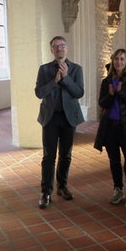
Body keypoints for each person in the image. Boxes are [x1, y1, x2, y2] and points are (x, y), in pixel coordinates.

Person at [94, 49, 126, 212]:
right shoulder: (106, 81)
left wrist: (120, 92)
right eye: (116, 59)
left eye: (122, 59)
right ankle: (118, 189)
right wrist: (110, 95)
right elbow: (102, 103)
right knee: (114, 161)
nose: (119, 62)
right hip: (109, 127)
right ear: (113, 61)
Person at [35, 36, 84, 209]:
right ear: (51, 50)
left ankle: (62, 186)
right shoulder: (44, 69)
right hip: (50, 117)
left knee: (66, 154)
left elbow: (79, 92)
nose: (59, 49)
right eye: (55, 46)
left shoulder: (77, 69)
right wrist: (55, 81)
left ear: (67, 48)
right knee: (49, 156)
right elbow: (39, 93)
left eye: (62, 45)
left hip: (68, 117)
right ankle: (46, 191)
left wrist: (66, 78)